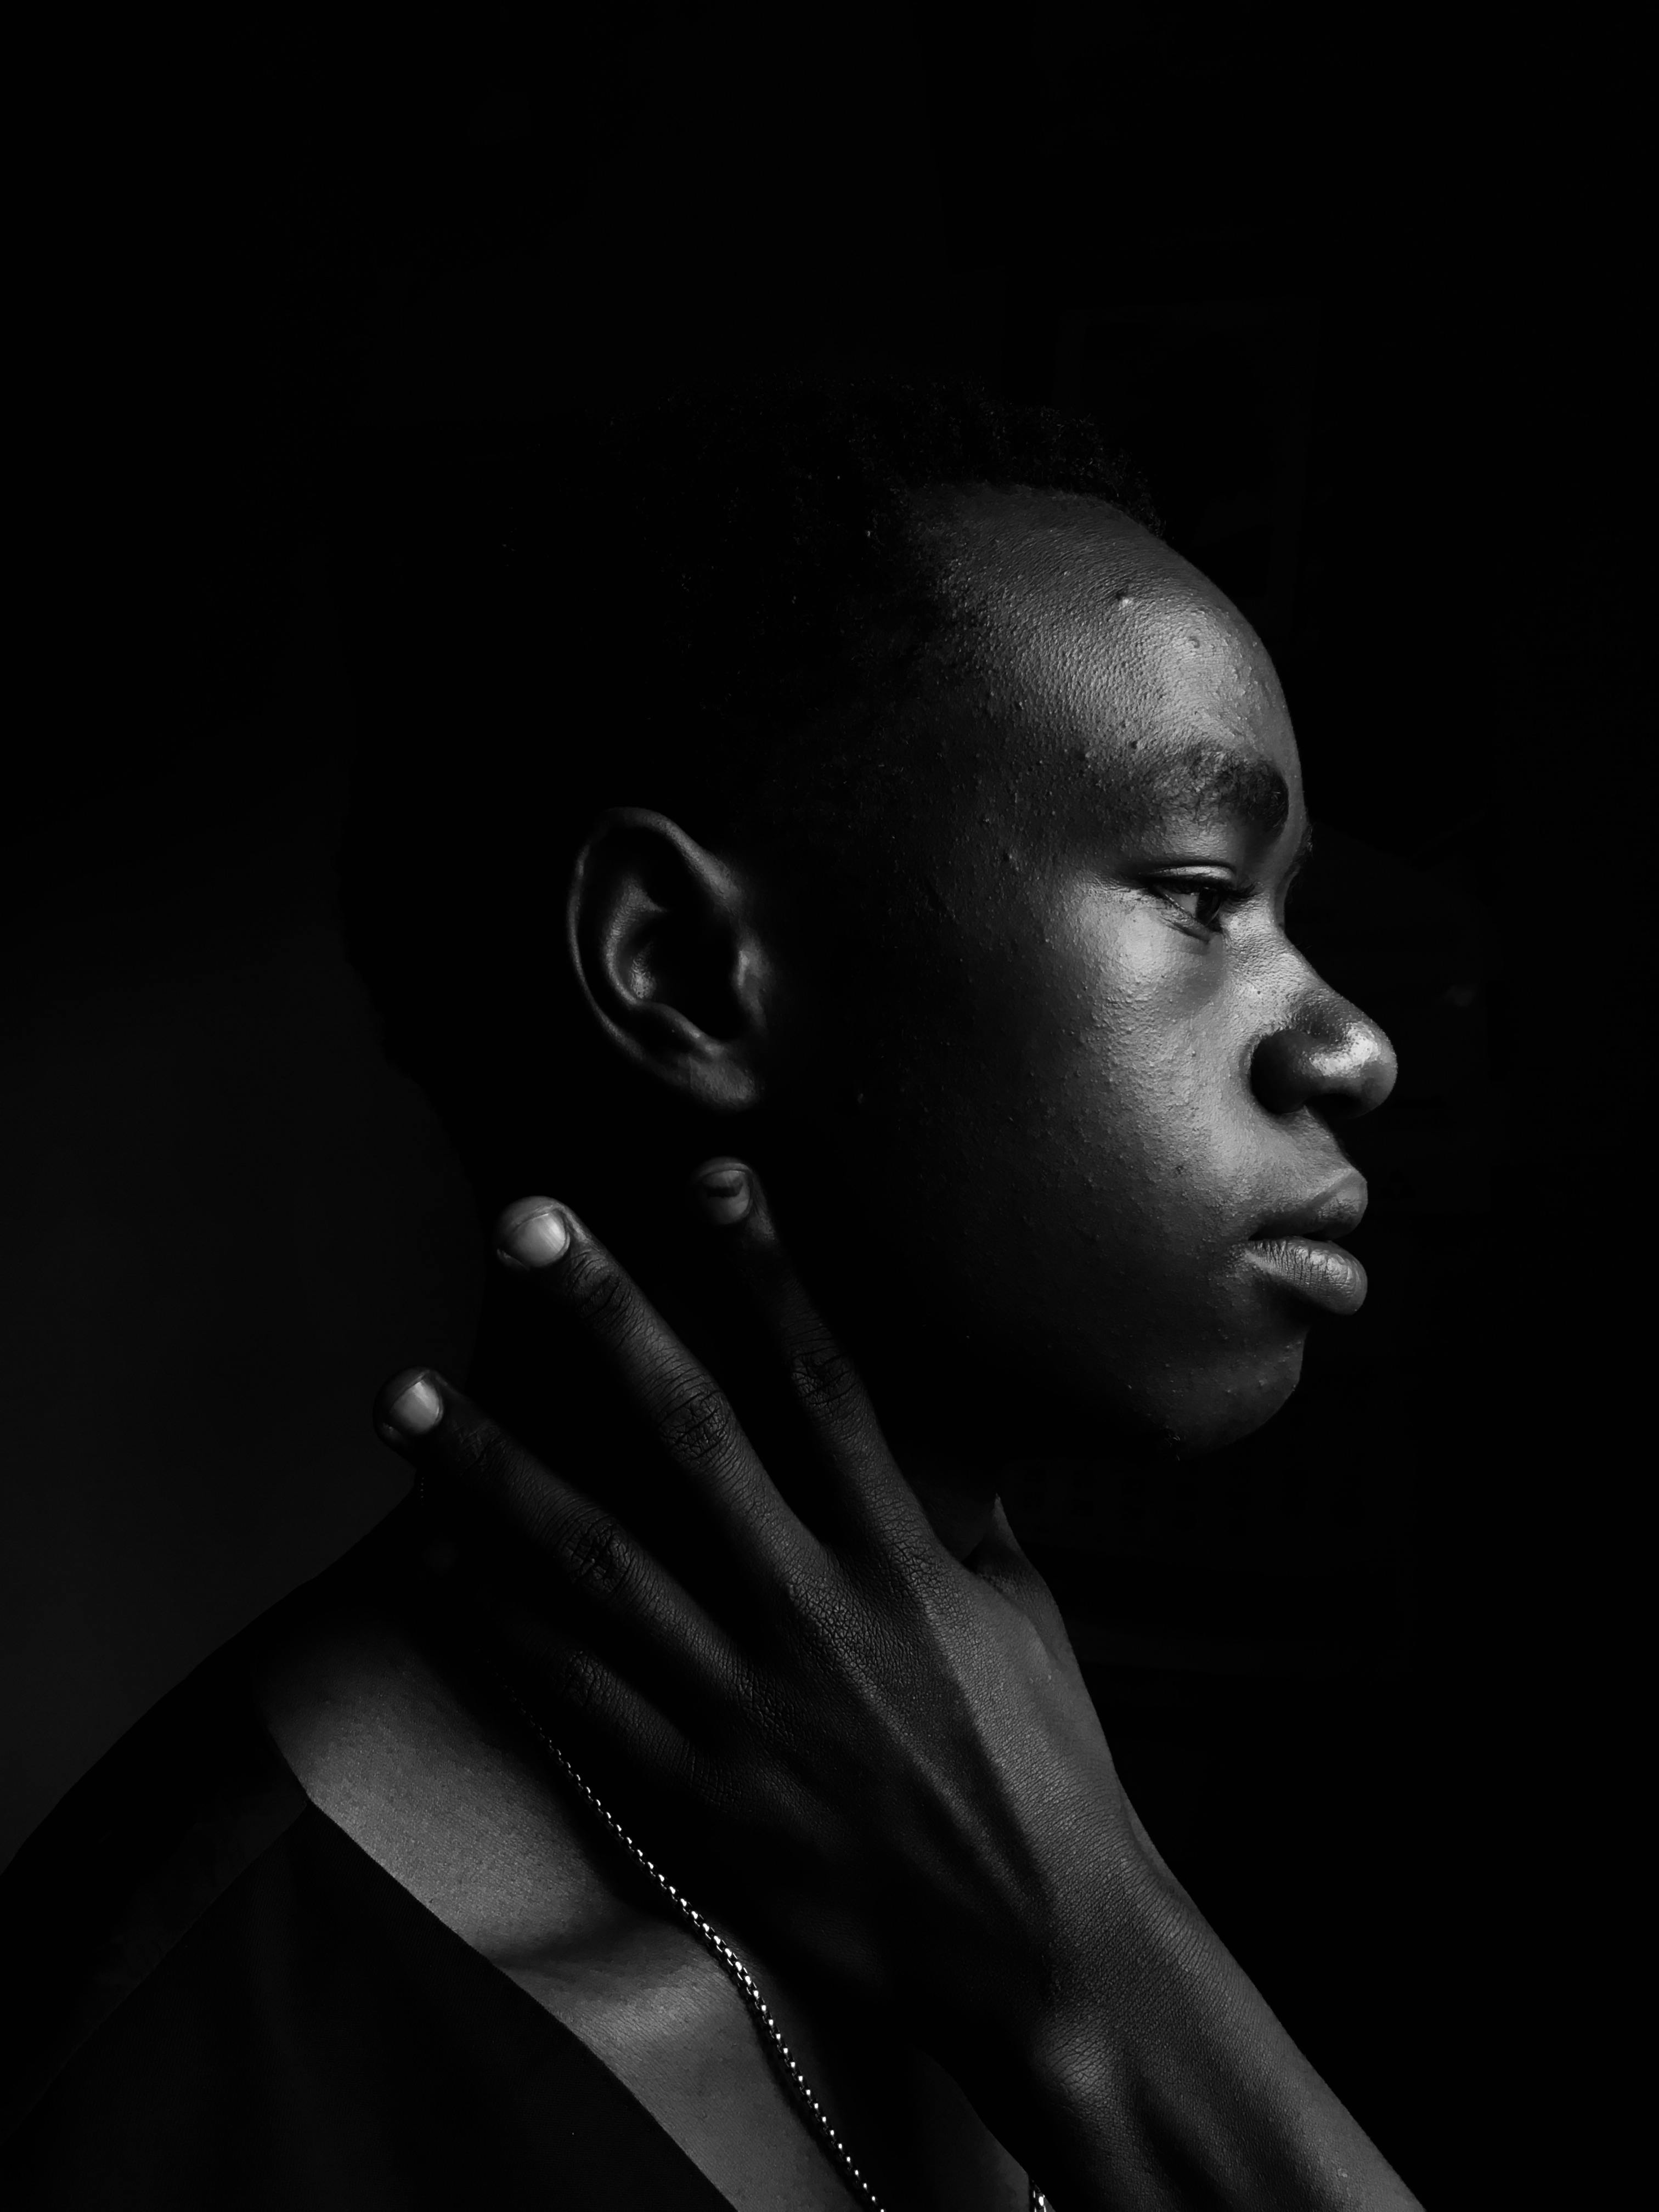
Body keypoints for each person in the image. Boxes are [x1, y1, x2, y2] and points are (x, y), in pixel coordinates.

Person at [2, 377, 1421, 2208]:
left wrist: (1097, 1950)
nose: (1352, 1046)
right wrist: (1091, 1962)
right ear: (675, 967)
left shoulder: (1000, 1826)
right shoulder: (211, 2064)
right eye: (1198, 890)